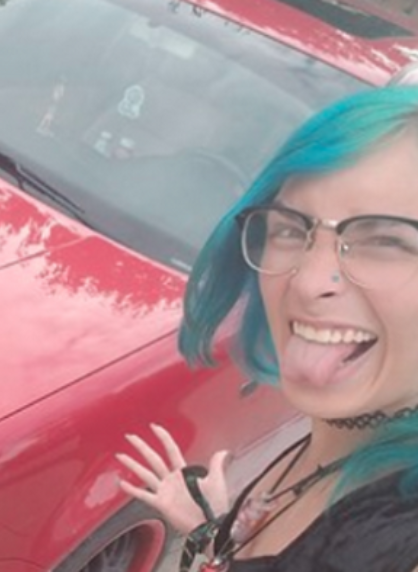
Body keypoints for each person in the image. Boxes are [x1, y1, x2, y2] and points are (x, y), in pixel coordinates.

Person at [116, 84, 418, 572]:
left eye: (385, 240)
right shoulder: (340, 433)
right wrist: (216, 532)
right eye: (291, 228)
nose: (308, 282)